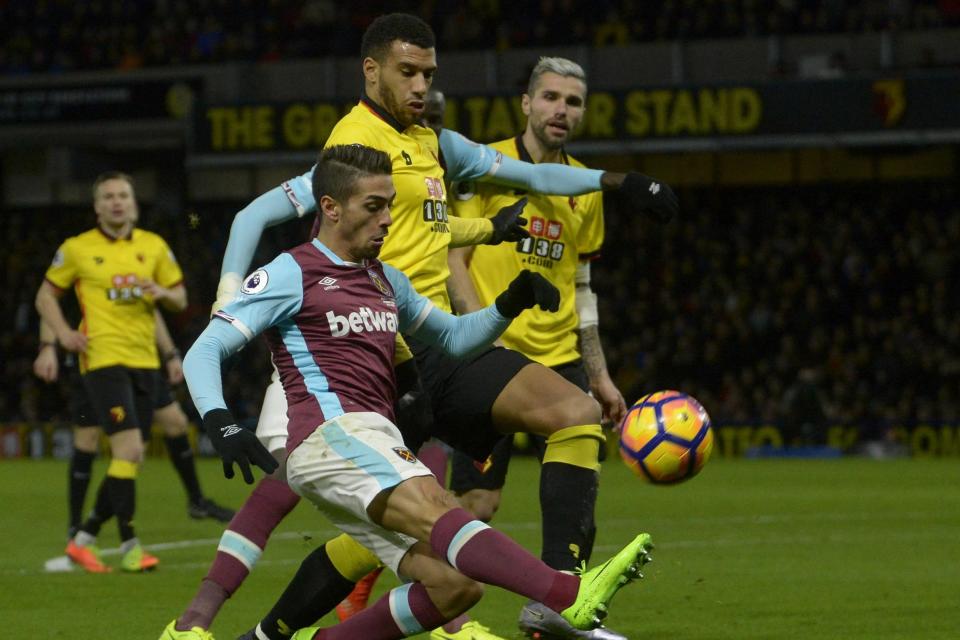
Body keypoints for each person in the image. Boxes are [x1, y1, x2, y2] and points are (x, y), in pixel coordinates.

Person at [163, 13, 675, 640]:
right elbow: (252, 219)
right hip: (340, 353)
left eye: (430, 74)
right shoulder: (351, 153)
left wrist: (614, 184)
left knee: (530, 452)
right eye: (408, 73)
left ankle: (542, 601)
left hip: (415, 342)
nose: (422, 87)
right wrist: (229, 307)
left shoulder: (428, 150)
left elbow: (508, 193)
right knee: (302, 492)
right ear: (371, 70)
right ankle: (196, 622)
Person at [445, 57, 629, 639]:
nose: (561, 111)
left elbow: (582, 285)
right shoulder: (485, 164)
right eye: (550, 97)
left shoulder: (587, 188)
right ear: (525, 103)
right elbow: (453, 254)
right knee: (478, 503)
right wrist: (480, 336)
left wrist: (598, 372)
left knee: (580, 485)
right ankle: (418, 593)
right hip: (496, 355)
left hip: (561, 357)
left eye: (573, 102)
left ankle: (555, 612)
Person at [35, 170, 188, 573]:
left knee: (130, 455)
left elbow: (180, 298)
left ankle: (83, 540)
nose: (117, 202)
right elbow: (45, 296)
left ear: (133, 202)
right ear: (97, 206)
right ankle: (130, 547)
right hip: (102, 361)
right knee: (128, 449)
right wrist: (62, 336)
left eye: (123, 195)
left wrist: (162, 293)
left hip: (145, 362)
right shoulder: (77, 249)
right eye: (109, 196)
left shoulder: (153, 246)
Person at [34, 312, 234, 540]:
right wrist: (48, 345)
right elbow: (49, 301)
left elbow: (154, 308)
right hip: (95, 360)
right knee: (96, 442)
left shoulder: (138, 278)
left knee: (174, 424)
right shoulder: (81, 280)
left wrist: (170, 354)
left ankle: (197, 501)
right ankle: (78, 526)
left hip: (140, 361)